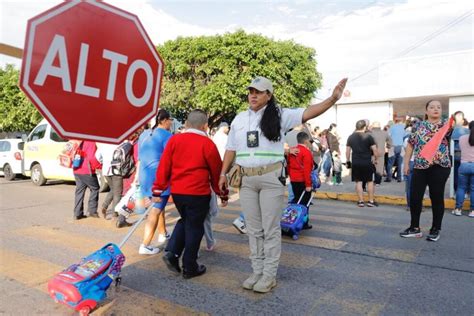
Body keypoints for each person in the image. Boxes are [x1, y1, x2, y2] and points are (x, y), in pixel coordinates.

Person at [218, 76, 347, 293]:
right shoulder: (239, 119)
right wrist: (223, 173)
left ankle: (269, 275)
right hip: (246, 180)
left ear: (268, 95)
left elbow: (309, 112)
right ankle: (257, 271)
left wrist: (332, 99)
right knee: (253, 229)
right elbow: (230, 149)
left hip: (271, 179)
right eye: (251, 91)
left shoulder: (280, 115)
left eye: (258, 92)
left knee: (270, 229)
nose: (253, 95)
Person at [154, 109, 228, 279]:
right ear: (205, 126)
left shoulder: (174, 140)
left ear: (186, 124)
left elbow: (164, 165)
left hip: (178, 192)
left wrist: (158, 189)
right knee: (195, 227)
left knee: (185, 220)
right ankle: (190, 266)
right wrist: (222, 193)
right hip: (198, 192)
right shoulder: (207, 144)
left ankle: (172, 253)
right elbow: (216, 172)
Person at [401, 100, 453, 242]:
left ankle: (435, 229)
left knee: (436, 197)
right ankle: (414, 228)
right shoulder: (418, 127)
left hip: (440, 167)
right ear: (426, 111)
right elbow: (410, 146)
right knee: (415, 197)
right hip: (420, 166)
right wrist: (406, 164)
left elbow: (454, 129)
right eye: (432, 107)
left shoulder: (446, 126)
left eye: (438, 107)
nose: (436, 109)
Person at [136, 109, 173, 255]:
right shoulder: (166, 135)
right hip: (158, 178)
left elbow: (140, 156)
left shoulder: (144, 135)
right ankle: (145, 244)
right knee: (156, 209)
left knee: (159, 205)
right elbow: (171, 158)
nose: (171, 122)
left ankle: (163, 233)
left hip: (144, 176)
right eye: (170, 119)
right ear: (163, 120)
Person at [346, 120, 378, 207]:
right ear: (364, 127)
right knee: (370, 181)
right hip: (367, 162)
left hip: (356, 162)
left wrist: (348, 161)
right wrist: (375, 159)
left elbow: (348, 151)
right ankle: (371, 201)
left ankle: (361, 201)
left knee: (358, 182)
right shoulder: (369, 137)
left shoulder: (350, 137)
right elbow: (375, 150)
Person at [288, 131, 314, 228]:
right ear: (306, 141)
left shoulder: (293, 151)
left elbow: (289, 166)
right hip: (303, 181)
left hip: (294, 180)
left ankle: (292, 220)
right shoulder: (306, 152)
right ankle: (304, 223)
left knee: (296, 200)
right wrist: (308, 185)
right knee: (305, 204)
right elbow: (307, 170)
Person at [73, 141, 102, 220]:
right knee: (95, 188)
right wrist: (100, 166)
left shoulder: (79, 140)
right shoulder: (91, 142)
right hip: (87, 170)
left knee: (79, 191)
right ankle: (92, 211)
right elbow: (92, 157)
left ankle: (77, 213)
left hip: (76, 169)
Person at [452, 121, 474, 218]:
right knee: (473, 189)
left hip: (464, 165)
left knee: (461, 188)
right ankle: (472, 211)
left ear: (468, 128)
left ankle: (458, 209)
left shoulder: (462, 138)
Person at [95, 142, 121, 220]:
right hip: (117, 170)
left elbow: (97, 156)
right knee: (118, 193)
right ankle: (114, 215)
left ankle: (104, 207)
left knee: (113, 189)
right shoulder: (120, 143)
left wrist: (103, 162)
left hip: (106, 170)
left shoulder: (104, 143)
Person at [451, 111, 469, 191]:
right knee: (465, 175)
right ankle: (465, 191)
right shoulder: (467, 131)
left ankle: (456, 190)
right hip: (465, 157)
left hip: (454, 156)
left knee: (455, 175)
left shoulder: (450, 131)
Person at [385, 118, 406, 182]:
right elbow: (404, 136)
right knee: (400, 163)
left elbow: (388, 136)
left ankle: (389, 178)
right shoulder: (403, 128)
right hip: (401, 146)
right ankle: (399, 178)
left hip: (393, 146)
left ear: (395, 121)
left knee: (390, 163)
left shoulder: (391, 127)